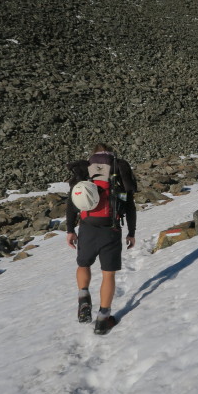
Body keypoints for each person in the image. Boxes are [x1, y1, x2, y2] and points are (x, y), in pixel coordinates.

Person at [66, 143, 137, 335]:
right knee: (108, 274)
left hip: (87, 228)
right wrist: (132, 232)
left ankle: (83, 297)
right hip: (111, 229)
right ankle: (103, 320)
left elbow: (72, 201)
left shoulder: (85, 170)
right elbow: (130, 205)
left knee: (83, 265)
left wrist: (70, 229)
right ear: (111, 154)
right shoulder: (119, 168)